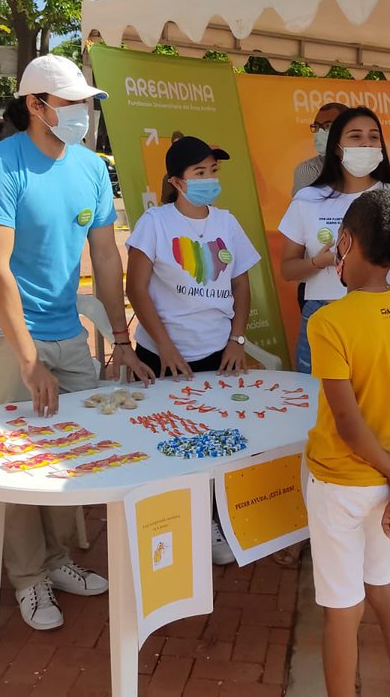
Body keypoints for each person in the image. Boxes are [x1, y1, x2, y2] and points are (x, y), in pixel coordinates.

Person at [0, 53, 154, 631]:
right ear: (35, 105)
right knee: (19, 457)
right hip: (6, 334)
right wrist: (26, 358)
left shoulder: (92, 168)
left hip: (68, 332)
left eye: (86, 103)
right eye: (71, 103)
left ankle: (58, 559)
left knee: (75, 446)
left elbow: (103, 256)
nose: (82, 113)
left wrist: (121, 338)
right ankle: (29, 579)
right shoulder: (0, 167)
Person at [305, 188, 390, 697]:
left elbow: (347, 424)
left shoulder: (328, 322)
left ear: (345, 241)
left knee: (342, 611)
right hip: (389, 488)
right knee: (382, 590)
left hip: (341, 482)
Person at [125, 134, 260, 566]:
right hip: (162, 356)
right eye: (199, 173)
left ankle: (214, 522)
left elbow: (241, 283)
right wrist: (164, 348)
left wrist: (237, 340)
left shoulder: (227, 223)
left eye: (213, 172)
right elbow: (136, 288)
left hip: (215, 353)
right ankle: (165, 525)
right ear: (176, 182)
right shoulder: (156, 223)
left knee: (215, 441)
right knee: (166, 442)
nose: (208, 180)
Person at [278, 106, 390, 373]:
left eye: (373, 137)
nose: (366, 143)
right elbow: (287, 269)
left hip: (382, 314)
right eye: (355, 137)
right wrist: (318, 262)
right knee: (316, 401)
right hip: (323, 313)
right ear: (336, 147)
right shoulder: (308, 199)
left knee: (378, 404)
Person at [293, 102, 344, 195]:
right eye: (316, 126)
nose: (319, 132)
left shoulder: (366, 164)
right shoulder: (309, 169)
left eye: (328, 126)